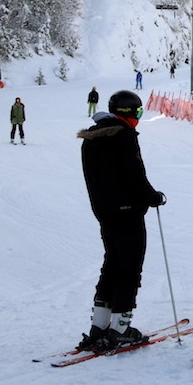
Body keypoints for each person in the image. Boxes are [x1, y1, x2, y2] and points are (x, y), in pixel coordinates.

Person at [75, 90, 166, 351]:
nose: (139, 117)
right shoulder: (124, 137)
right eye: (137, 112)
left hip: (105, 211)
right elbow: (133, 174)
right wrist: (152, 197)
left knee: (112, 264)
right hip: (127, 212)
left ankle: (99, 326)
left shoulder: (92, 139)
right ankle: (120, 329)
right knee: (129, 267)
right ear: (126, 113)